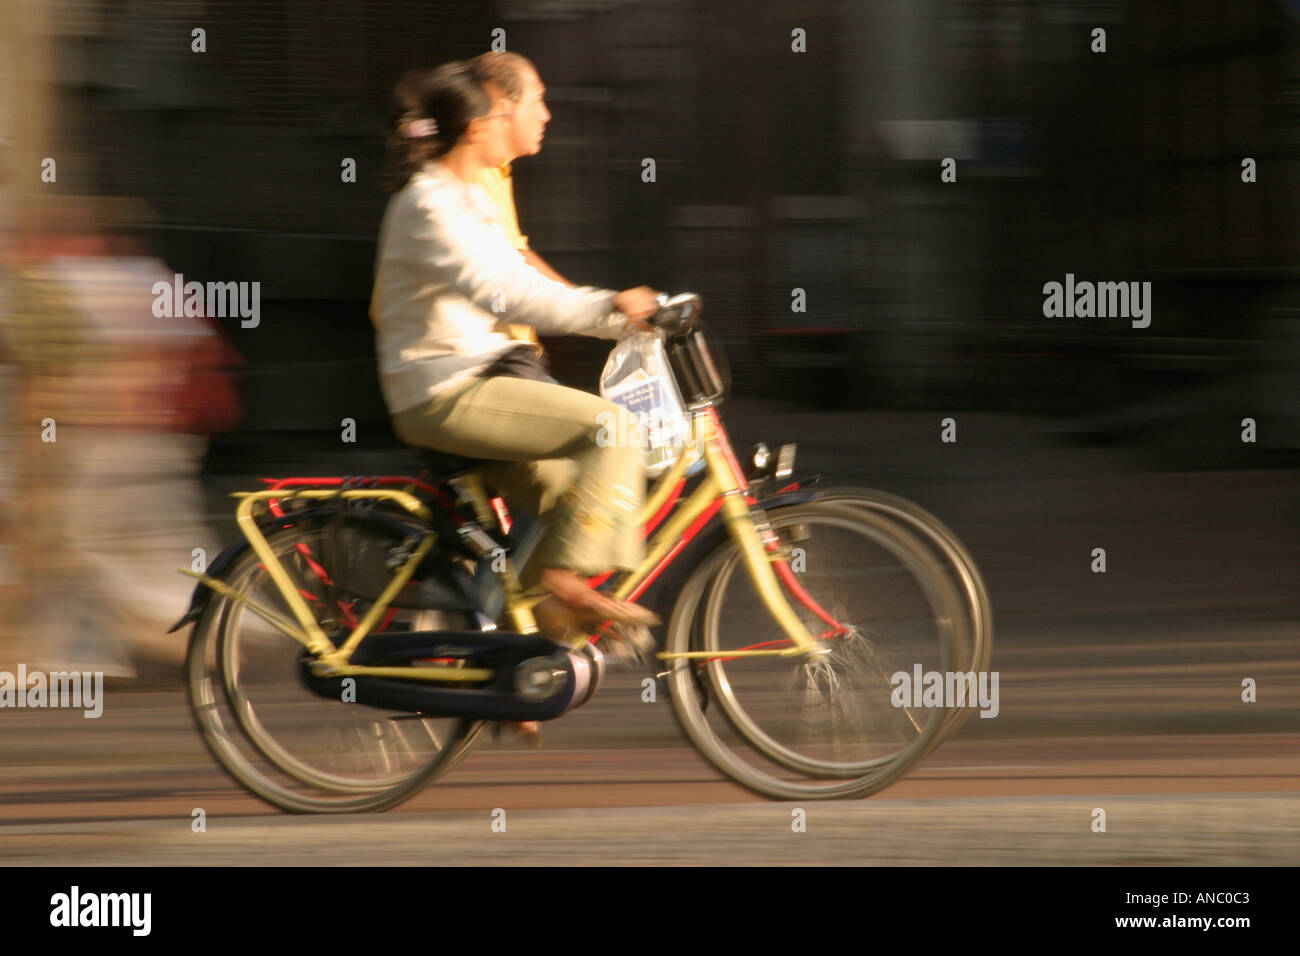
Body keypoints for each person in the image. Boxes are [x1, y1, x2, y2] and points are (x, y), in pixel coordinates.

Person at [371, 61, 660, 653]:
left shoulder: (466, 198)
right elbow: (509, 291)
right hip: (446, 389)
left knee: (577, 495)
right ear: (476, 127)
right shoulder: (431, 205)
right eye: (507, 111)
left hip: (474, 377)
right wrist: (612, 309)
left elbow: (519, 281)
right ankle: (559, 587)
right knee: (612, 429)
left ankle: (507, 651)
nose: (532, 117)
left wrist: (620, 320)